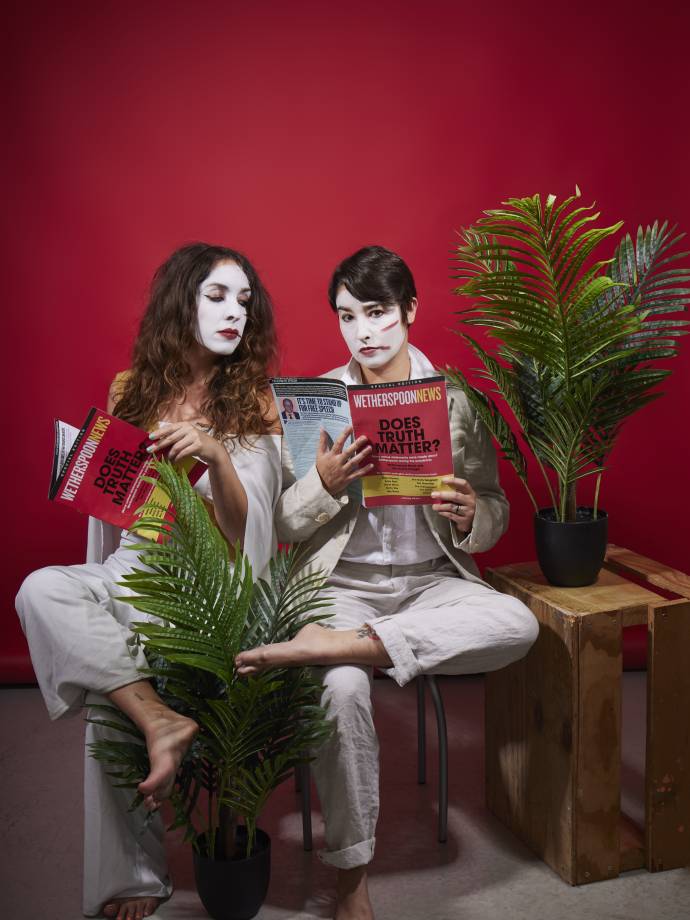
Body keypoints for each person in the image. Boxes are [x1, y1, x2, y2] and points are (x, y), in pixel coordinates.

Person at [235, 245, 539, 920]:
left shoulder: (456, 400)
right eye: (348, 316)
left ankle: (326, 647)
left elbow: (494, 505)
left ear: (409, 310)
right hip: (342, 586)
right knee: (342, 690)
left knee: (520, 624)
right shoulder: (317, 398)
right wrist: (323, 482)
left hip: (431, 584)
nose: (363, 331)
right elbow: (284, 521)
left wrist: (470, 516)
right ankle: (350, 881)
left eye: (376, 313)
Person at [16, 243, 282, 920]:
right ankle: (159, 718)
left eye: (243, 301)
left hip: (206, 586)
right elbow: (115, 508)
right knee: (38, 590)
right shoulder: (129, 388)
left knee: (105, 700)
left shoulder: (255, 400)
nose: (233, 313)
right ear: (180, 301)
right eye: (216, 296)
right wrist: (83, 469)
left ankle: (134, 874)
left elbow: (244, 532)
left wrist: (218, 455)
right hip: (132, 570)